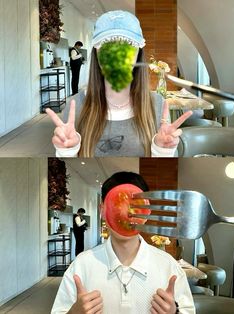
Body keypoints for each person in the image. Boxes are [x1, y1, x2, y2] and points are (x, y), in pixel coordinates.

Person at [46, 11, 192, 157]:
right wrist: (67, 151)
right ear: (97, 53)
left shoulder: (157, 105)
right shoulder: (75, 107)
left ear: (138, 54)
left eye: (128, 46)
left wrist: (162, 150)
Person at [51, 172, 195, 314]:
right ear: (102, 211)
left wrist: (174, 312)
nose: (126, 213)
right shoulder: (81, 266)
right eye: (117, 204)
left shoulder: (169, 267)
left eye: (135, 206)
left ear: (147, 211)